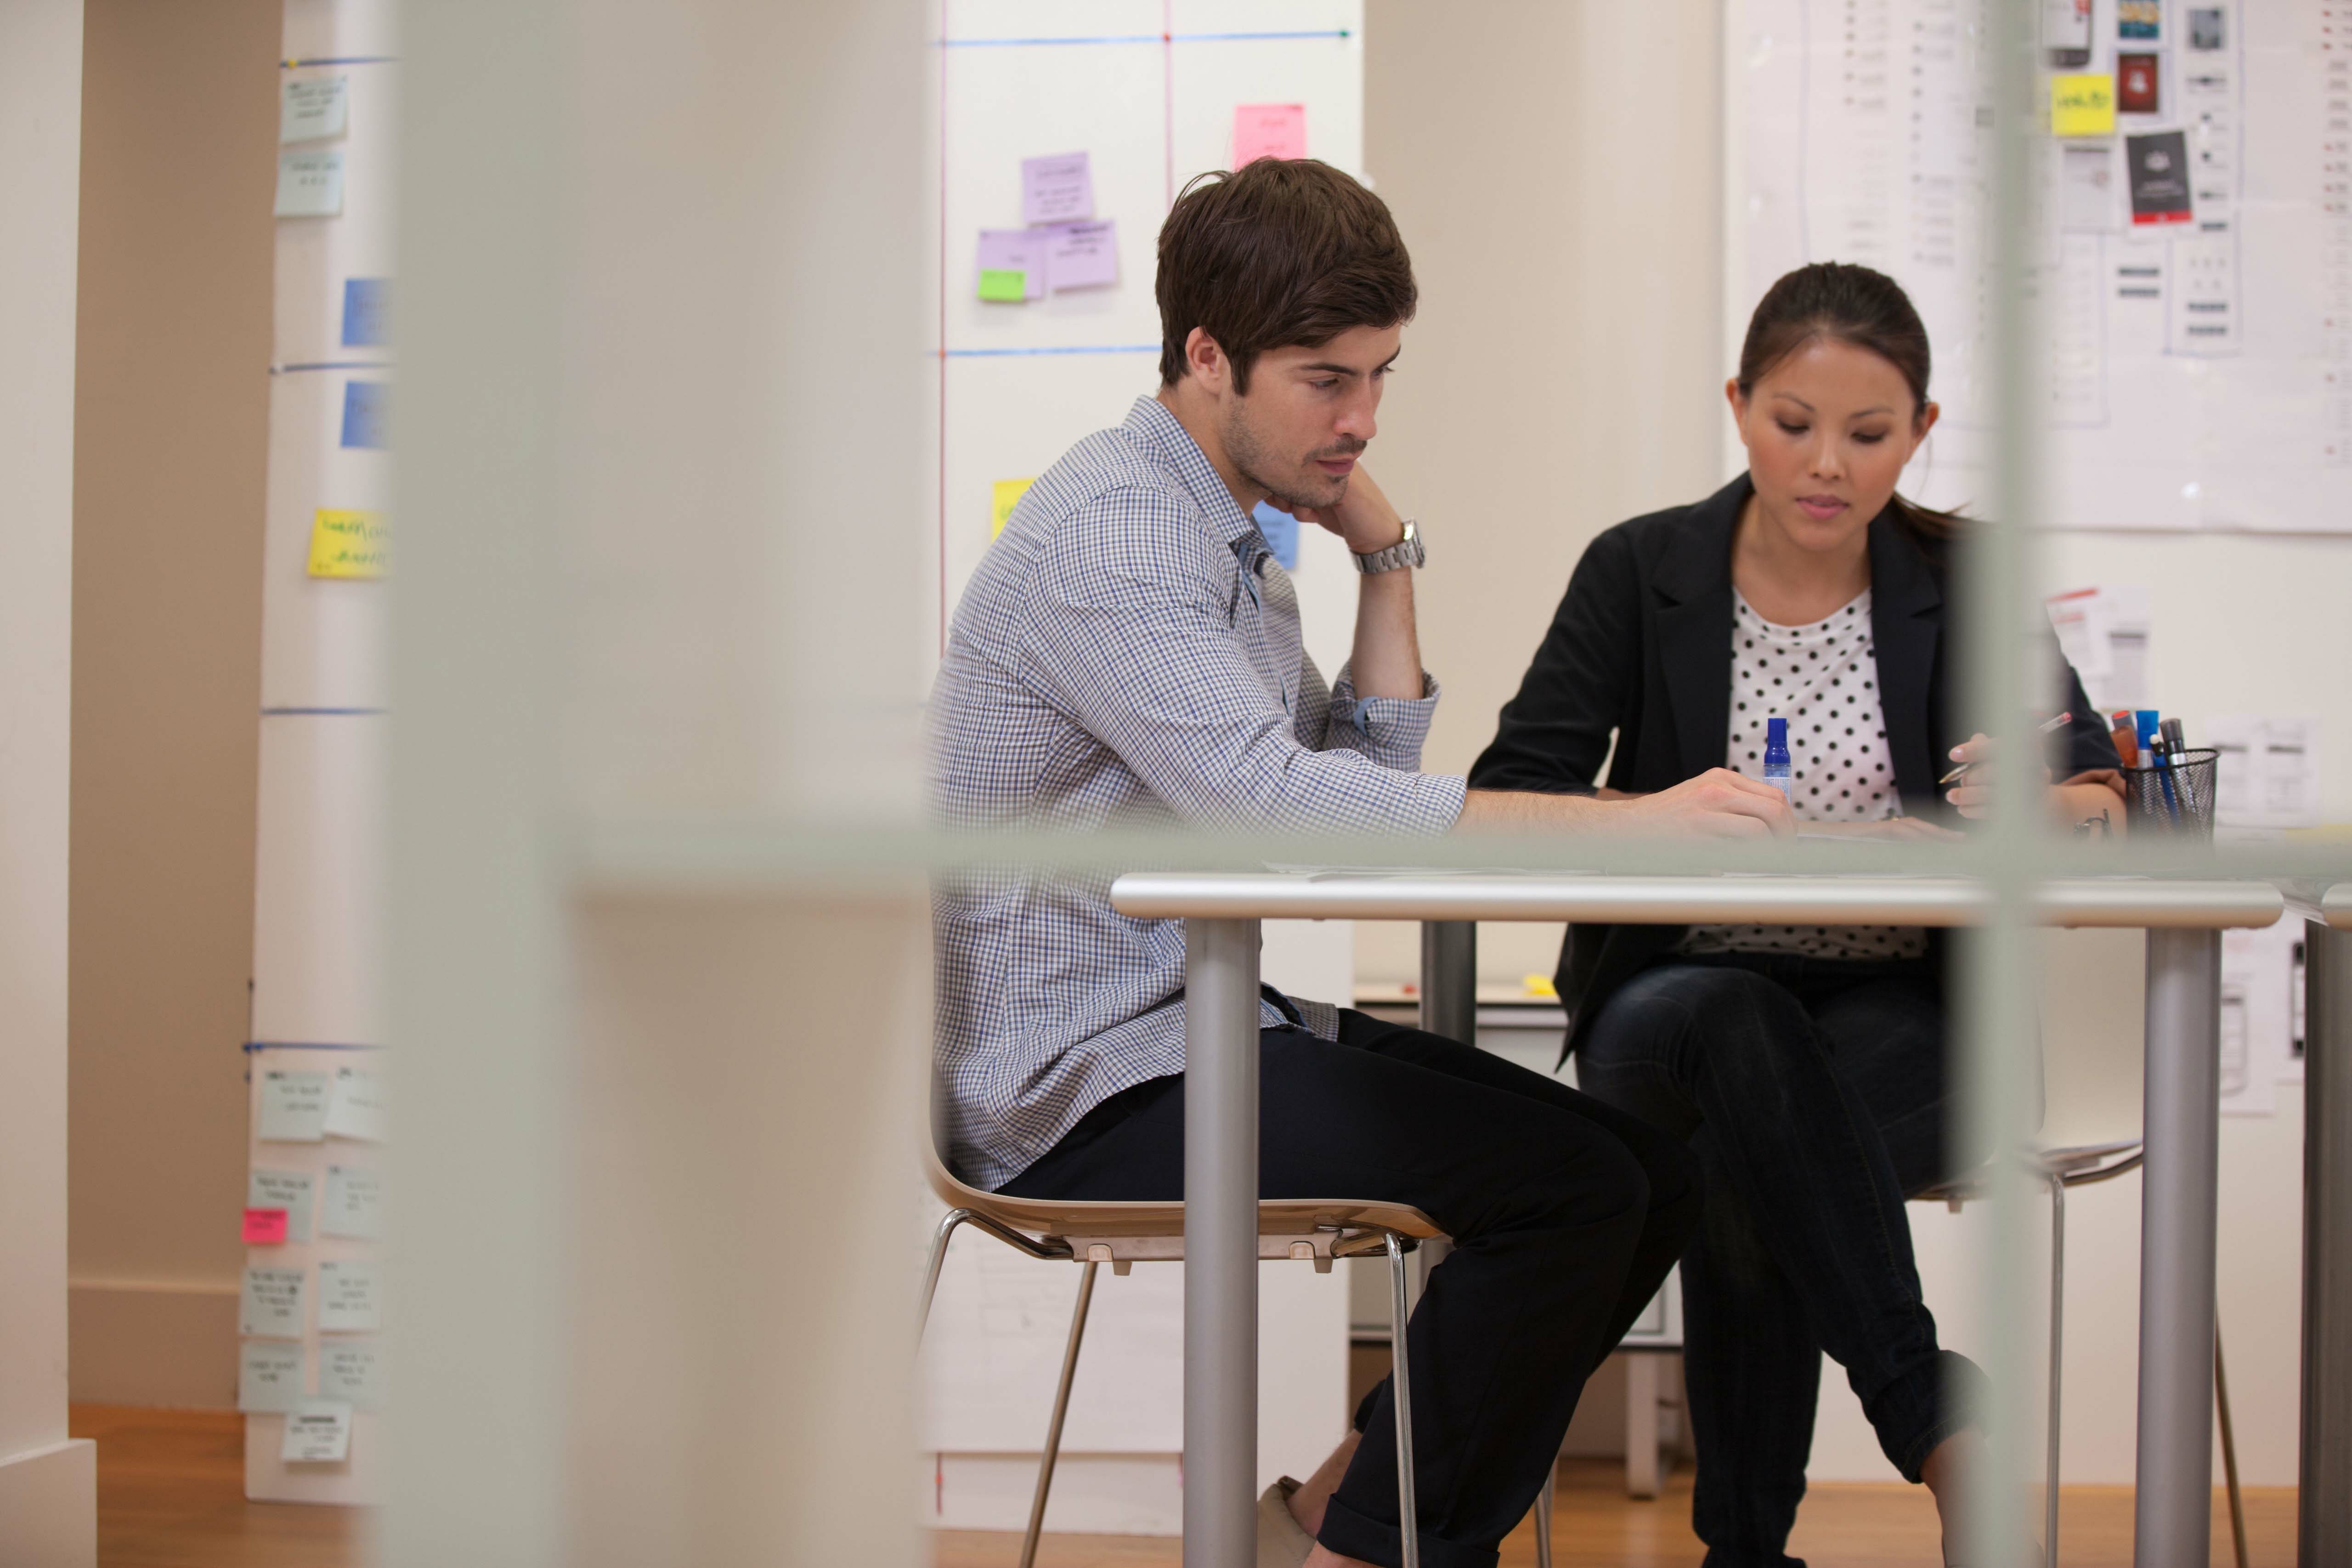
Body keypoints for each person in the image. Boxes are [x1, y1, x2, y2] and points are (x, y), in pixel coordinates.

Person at [929, 157, 1796, 1568]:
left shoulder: (1226, 537)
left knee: (1643, 1172)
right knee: (1571, 1192)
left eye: (1381, 375)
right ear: (1208, 356)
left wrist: (1386, 560)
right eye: (1327, 380)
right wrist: (1628, 819)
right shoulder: (1117, 538)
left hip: (1193, 1030)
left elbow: (1357, 783)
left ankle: (1330, 1523)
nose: (1363, 419)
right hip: (1078, 1089)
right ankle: (1362, 1550)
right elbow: (1289, 815)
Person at [1468, 260, 2126, 1568]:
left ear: (1921, 433)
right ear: (1738, 406)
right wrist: (1659, 818)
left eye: (1869, 434)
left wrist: (2047, 806)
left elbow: (2103, 798)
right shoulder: (1640, 569)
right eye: (1793, 423)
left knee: (1744, 1155)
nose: (1827, 464)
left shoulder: (1969, 581)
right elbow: (1512, 793)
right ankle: (1941, 1426)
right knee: (1734, 1033)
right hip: (1671, 1001)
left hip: (1909, 1010)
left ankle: (1745, 1553)